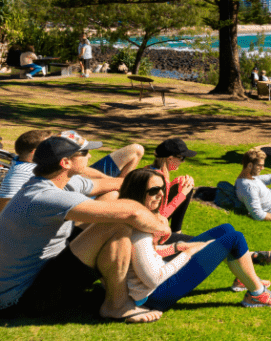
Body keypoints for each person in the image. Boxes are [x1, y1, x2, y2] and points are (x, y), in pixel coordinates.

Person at [0, 133, 169, 323]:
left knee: (112, 198)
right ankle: (117, 305)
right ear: (65, 162)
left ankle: (115, 282)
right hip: (23, 297)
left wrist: (150, 185)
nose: (89, 157)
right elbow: (132, 214)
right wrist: (161, 225)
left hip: (45, 270)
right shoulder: (45, 196)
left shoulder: (58, 181)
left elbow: (112, 185)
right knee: (117, 223)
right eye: (84, 153)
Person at [120, 168, 271, 310]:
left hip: (161, 279)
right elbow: (154, 278)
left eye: (162, 188)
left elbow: (152, 252)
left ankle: (244, 278)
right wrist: (186, 255)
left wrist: (177, 247)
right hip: (158, 294)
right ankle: (257, 294)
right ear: (138, 192)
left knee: (225, 229)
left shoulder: (140, 220)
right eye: (154, 190)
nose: (161, 194)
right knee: (234, 238)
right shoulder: (139, 234)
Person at [0, 130, 144, 213]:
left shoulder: (40, 164)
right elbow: (5, 211)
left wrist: (109, 179)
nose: (89, 155)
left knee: (135, 151)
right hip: (66, 211)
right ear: (35, 152)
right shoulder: (20, 176)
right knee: (113, 196)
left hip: (76, 187)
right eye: (48, 144)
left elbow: (87, 177)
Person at [147, 138, 197, 235]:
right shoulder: (159, 180)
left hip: (149, 221)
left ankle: (177, 233)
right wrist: (182, 194)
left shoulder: (150, 170)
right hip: (152, 229)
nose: (183, 162)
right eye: (182, 158)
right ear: (170, 158)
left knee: (185, 184)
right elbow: (161, 216)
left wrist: (175, 183)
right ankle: (176, 233)